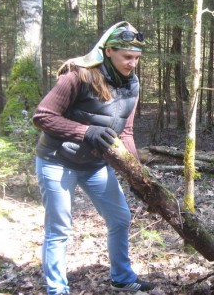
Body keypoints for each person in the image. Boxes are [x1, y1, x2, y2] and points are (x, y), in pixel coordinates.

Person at [33, 21, 155, 295]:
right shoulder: (78, 75)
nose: (132, 63)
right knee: (60, 228)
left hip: (94, 165)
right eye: (127, 57)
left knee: (120, 217)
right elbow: (42, 116)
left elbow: (125, 132)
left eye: (137, 58)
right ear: (108, 50)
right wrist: (85, 131)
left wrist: (137, 176)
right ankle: (57, 289)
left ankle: (122, 278)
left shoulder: (131, 83)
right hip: (56, 160)